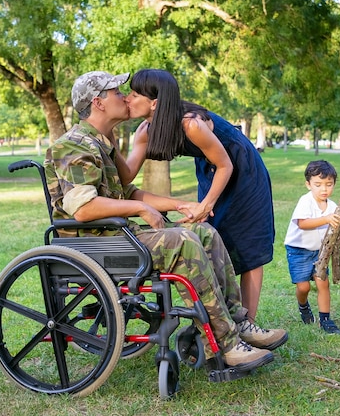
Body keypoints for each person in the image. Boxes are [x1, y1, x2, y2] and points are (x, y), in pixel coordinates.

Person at [44, 70, 288, 377]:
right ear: (98, 103)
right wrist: (141, 209)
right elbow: (84, 208)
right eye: (117, 92)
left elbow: (126, 190)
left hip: (118, 235)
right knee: (182, 241)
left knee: (204, 232)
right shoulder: (74, 146)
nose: (125, 96)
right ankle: (225, 345)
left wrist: (178, 204)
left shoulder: (100, 143)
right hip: (99, 243)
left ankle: (238, 324)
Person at [115, 68, 276, 329]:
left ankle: (248, 324)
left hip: (241, 169)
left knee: (249, 247)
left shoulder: (191, 124)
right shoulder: (144, 130)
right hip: (211, 169)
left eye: (134, 95)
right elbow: (127, 174)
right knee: (215, 237)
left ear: (154, 103)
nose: (127, 99)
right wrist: (109, 134)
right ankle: (222, 317)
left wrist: (206, 204)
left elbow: (226, 165)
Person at [284, 160, 340, 334]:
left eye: (328, 184)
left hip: (319, 252)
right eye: (318, 184)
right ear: (308, 185)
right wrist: (326, 219)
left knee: (322, 284)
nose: (324, 189)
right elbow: (302, 223)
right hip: (299, 250)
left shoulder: (332, 206)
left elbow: (335, 228)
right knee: (304, 287)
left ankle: (326, 319)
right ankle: (303, 305)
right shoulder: (306, 201)